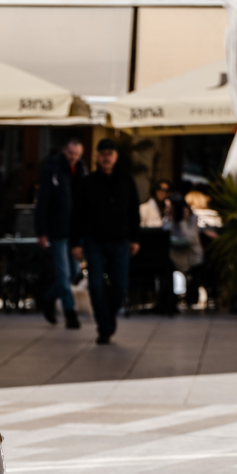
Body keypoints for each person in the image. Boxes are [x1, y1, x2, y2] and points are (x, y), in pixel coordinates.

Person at [71, 139, 140, 345]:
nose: (106, 157)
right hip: (94, 242)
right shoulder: (88, 182)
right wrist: (76, 243)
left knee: (120, 285)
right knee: (96, 285)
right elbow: (77, 215)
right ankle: (104, 327)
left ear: (115, 156)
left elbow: (133, 212)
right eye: (102, 154)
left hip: (120, 241)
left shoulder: (126, 181)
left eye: (110, 153)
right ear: (97, 157)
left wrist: (135, 238)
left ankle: (109, 318)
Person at [35, 137, 84, 328]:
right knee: (64, 274)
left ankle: (48, 298)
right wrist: (42, 231)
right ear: (64, 151)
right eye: (71, 154)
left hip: (74, 229)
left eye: (77, 155)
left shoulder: (80, 170)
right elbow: (43, 202)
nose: (74, 157)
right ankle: (70, 313)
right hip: (57, 229)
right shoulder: (52, 169)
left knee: (74, 272)